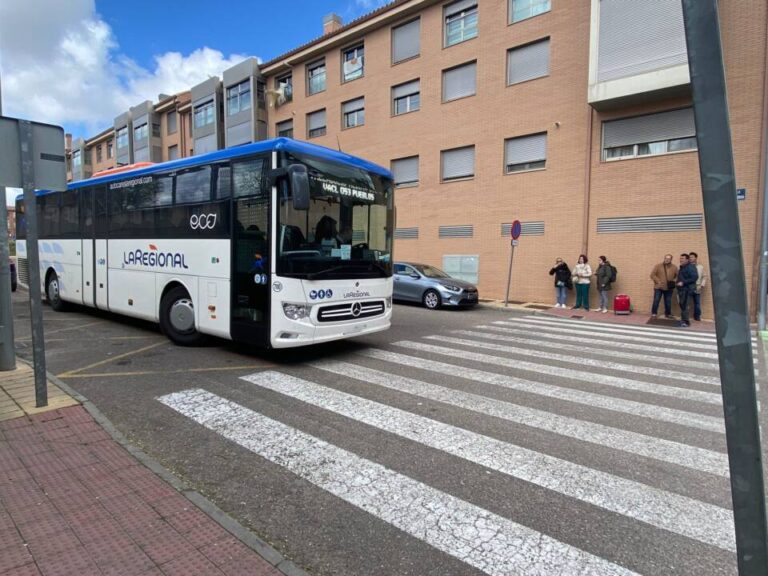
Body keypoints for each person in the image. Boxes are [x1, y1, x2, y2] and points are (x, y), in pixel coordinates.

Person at [650, 254, 678, 319]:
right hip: (658, 287)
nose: (667, 259)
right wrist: (658, 281)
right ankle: (654, 313)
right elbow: (652, 275)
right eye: (666, 258)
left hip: (669, 287)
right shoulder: (658, 266)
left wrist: (674, 281)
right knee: (656, 300)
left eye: (668, 258)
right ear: (664, 258)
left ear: (671, 260)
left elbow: (677, 276)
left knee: (668, 301)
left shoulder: (674, 267)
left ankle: (668, 314)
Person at [676, 253, 699, 328]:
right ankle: (684, 320)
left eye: (682, 259)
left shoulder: (690, 267)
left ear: (687, 259)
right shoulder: (682, 267)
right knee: (682, 305)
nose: (680, 260)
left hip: (687, 290)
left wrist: (683, 282)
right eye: (680, 258)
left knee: (685, 305)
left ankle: (686, 321)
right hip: (682, 289)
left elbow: (694, 277)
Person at [688, 251, 706, 321]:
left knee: (697, 303)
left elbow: (704, 276)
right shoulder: (687, 267)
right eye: (689, 257)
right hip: (689, 287)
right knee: (687, 302)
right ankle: (686, 316)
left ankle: (697, 316)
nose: (690, 258)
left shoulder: (700, 267)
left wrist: (702, 284)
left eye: (692, 257)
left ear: (695, 258)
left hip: (697, 287)